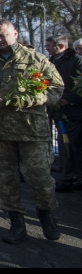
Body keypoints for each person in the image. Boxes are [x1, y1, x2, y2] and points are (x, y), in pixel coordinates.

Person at [0, 19, 64, 243]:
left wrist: (31, 98)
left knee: (38, 176)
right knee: (4, 178)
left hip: (31, 129)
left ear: (15, 34)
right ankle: (16, 222)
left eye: (2, 35)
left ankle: (46, 214)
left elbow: (56, 87)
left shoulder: (35, 59)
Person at [47, 35, 82, 193]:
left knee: (66, 144)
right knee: (69, 145)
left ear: (60, 46)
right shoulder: (51, 61)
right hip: (59, 109)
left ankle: (67, 178)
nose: (47, 48)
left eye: (50, 45)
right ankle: (74, 177)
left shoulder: (77, 60)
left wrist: (68, 100)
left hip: (73, 111)